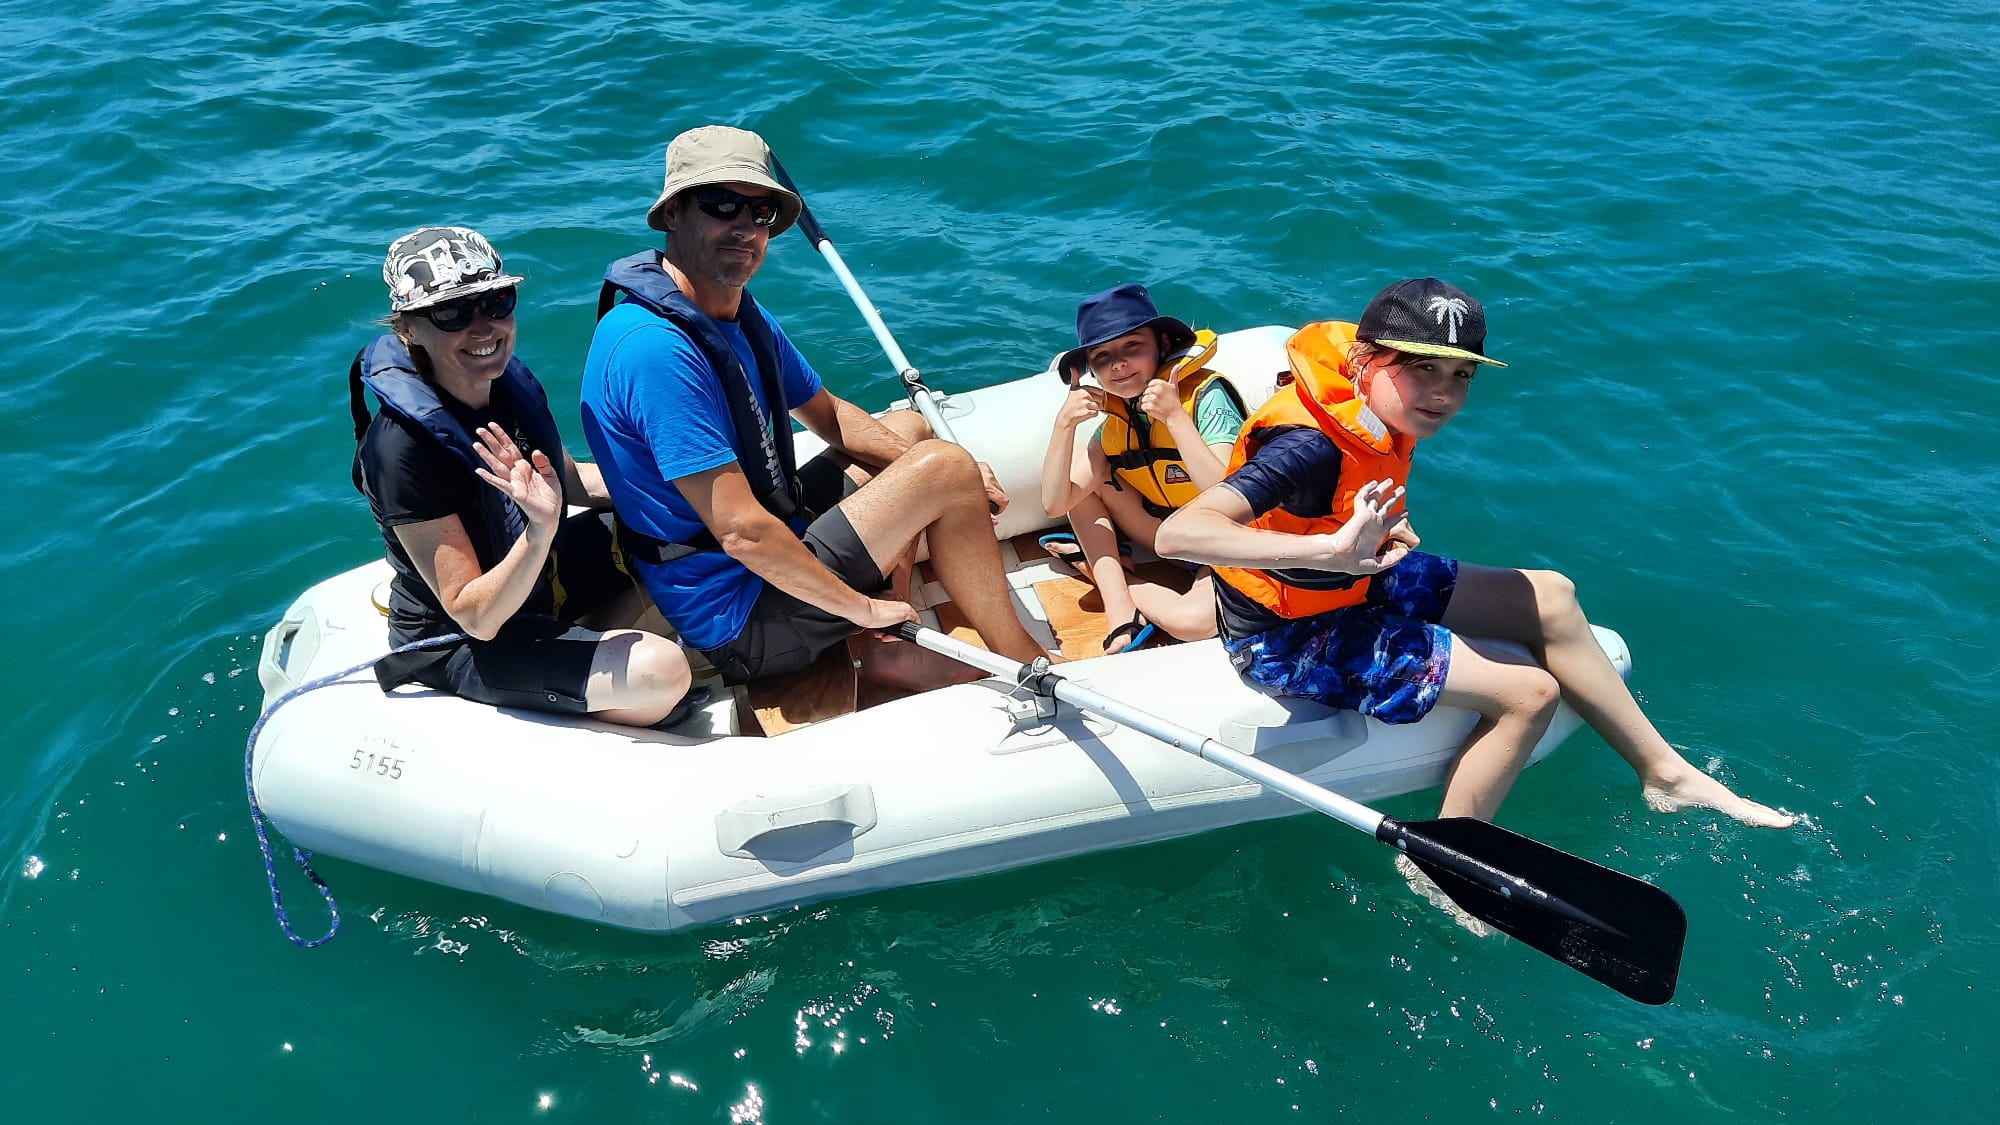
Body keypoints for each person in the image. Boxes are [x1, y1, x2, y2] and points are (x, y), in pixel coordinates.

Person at [1154, 278, 1794, 929]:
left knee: (1552, 594)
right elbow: (1178, 534)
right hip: (1287, 633)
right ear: (1363, 361)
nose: (1443, 393)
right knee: (1530, 694)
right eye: (1423, 370)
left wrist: (1360, 544)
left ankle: (1664, 773)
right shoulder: (1308, 446)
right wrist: (1331, 551)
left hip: (1354, 578)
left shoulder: (1371, 407)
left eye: (1460, 376)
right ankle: (1442, 865)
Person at [579, 125, 1059, 691]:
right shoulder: (655, 350)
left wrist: (939, 463)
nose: (745, 227)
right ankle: (1024, 660)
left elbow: (828, 413)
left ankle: (887, 649)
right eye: (722, 204)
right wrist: (862, 607)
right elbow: (742, 535)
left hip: (773, 548)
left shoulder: (731, 311)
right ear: (673, 215)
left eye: (761, 212)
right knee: (943, 470)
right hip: (740, 617)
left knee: (909, 432)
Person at [352, 225, 693, 727]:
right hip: (463, 639)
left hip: (537, 581)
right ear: (408, 330)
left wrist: (687, 489)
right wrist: (539, 531)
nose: (483, 328)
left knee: (692, 531)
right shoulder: (401, 449)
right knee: (660, 671)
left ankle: (591, 643)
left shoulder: (505, 385)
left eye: (496, 302)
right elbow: (474, 616)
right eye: (451, 313)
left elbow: (571, 483)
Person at [1037, 284, 1245, 653]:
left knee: (1194, 624)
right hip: (1161, 534)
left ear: (1162, 345)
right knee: (1085, 484)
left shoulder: (1206, 398)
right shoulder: (1115, 422)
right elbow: (1056, 503)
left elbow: (1233, 498)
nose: (1118, 363)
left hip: (1222, 538)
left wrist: (1175, 417)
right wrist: (1063, 425)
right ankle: (1119, 606)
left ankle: (1107, 575)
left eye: (1132, 346)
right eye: (1102, 356)